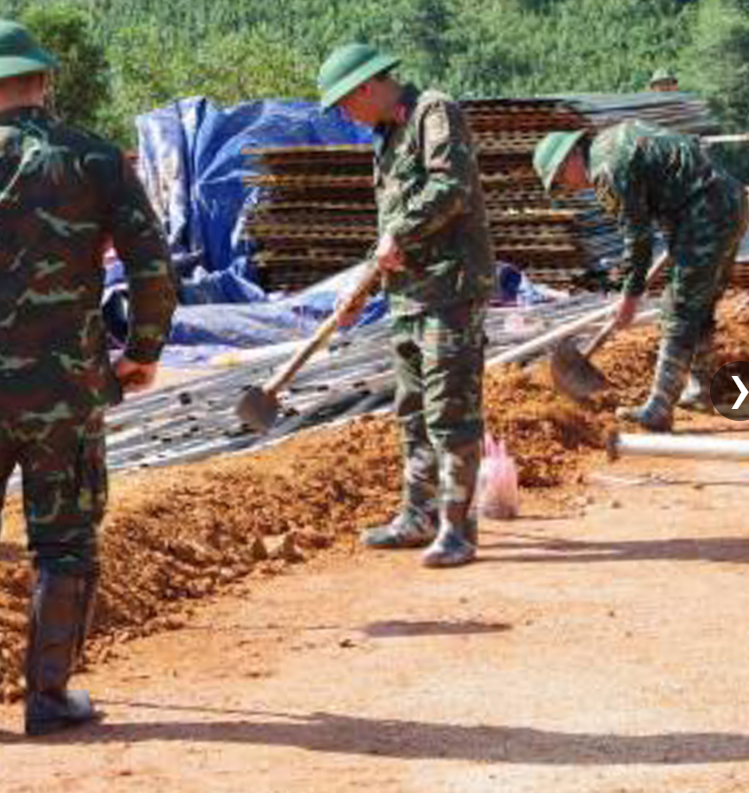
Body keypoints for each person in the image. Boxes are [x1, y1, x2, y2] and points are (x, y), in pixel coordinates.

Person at [0, 18, 177, 735]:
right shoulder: (93, 160)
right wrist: (140, 351)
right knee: (64, 540)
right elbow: (153, 270)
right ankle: (47, 697)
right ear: (40, 81)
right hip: (65, 392)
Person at [317, 43, 495, 568]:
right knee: (412, 412)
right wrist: (363, 289)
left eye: (345, 104)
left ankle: (458, 530)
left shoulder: (433, 113)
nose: (345, 115)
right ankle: (417, 517)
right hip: (409, 298)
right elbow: (390, 238)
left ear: (366, 88)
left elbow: (450, 186)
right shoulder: (386, 137)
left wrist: (399, 233)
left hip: (451, 291)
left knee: (450, 411)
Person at [533, 121, 748, 429]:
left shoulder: (605, 171)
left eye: (560, 181)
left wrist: (630, 296)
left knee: (677, 309)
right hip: (726, 202)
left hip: (704, 211)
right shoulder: (611, 143)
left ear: (571, 158)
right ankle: (701, 389)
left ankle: (659, 409)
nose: (567, 189)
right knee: (697, 307)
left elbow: (637, 238)